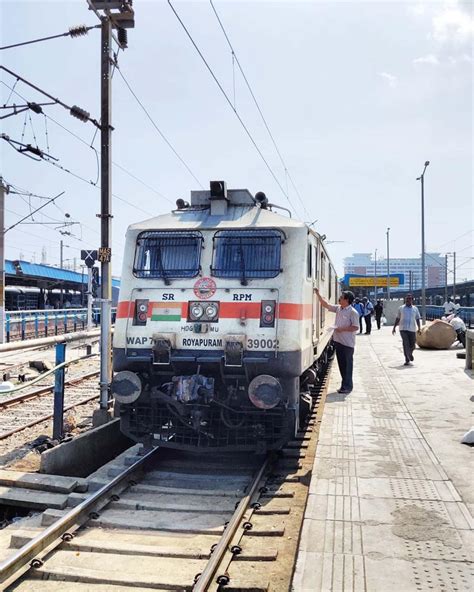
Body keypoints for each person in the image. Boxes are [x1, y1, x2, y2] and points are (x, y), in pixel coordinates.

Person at [315, 288, 359, 394]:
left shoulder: (353, 312)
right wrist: (317, 294)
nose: (339, 299)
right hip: (338, 342)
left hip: (348, 344)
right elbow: (326, 305)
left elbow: (356, 327)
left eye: (341, 297)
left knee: (348, 367)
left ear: (347, 300)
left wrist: (341, 329)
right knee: (342, 366)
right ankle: (344, 386)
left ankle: (348, 387)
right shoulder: (339, 308)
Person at [392, 294, 421, 365]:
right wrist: (394, 327)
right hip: (403, 329)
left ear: (412, 300)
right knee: (405, 343)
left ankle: (409, 353)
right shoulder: (401, 308)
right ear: (405, 300)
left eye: (410, 299)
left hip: (412, 329)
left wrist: (419, 328)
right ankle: (407, 358)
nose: (408, 300)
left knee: (413, 345)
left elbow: (417, 318)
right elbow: (398, 318)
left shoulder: (415, 309)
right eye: (407, 299)